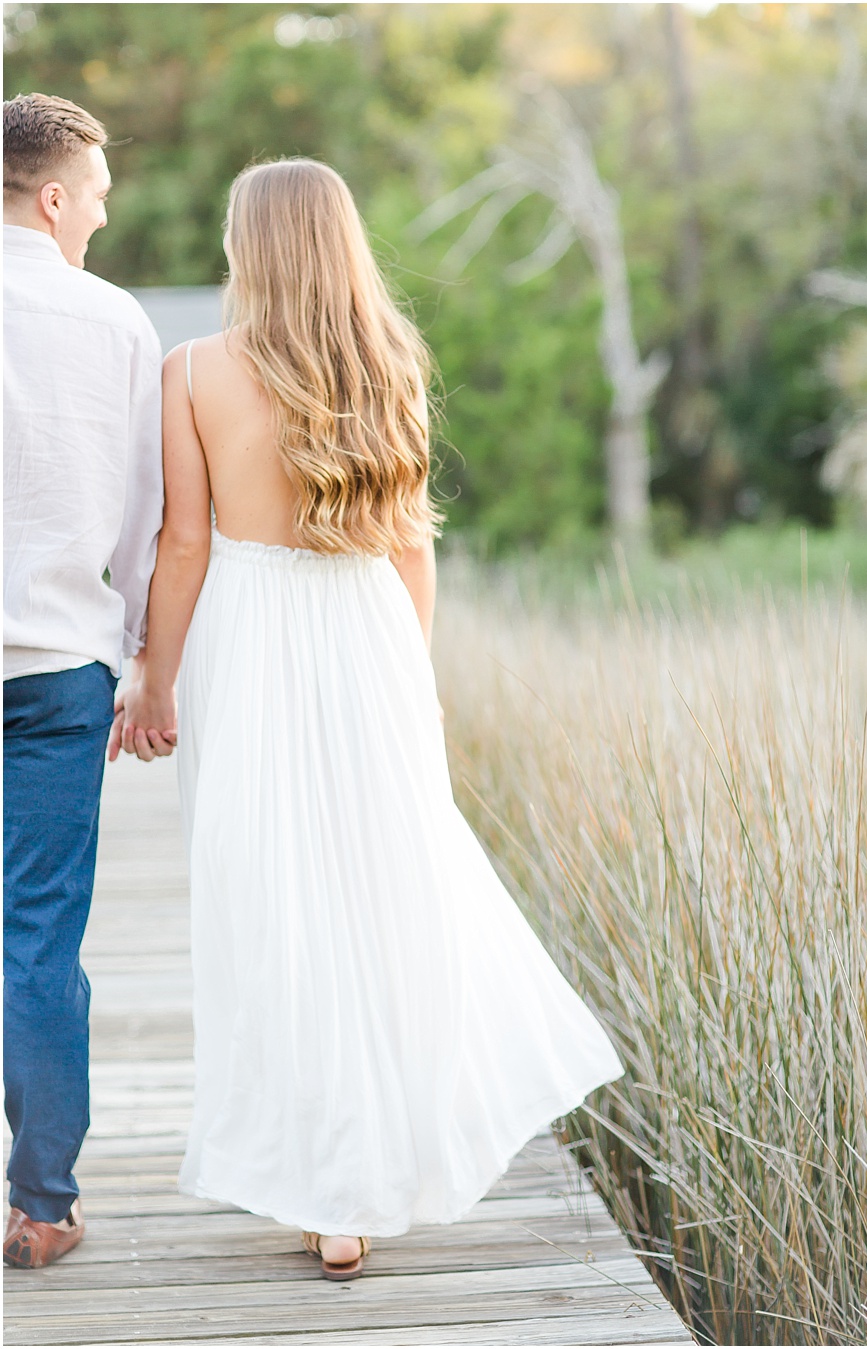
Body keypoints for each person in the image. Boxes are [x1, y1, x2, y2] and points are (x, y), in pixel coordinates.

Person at [113, 157, 625, 1280]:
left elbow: (186, 545)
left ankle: (327, 1187)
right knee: (377, 894)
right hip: (369, 634)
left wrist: (153, 674)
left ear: (248, 246)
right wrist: (415, 674)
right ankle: (358, 1183)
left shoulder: (193, 371)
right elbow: (411, 541)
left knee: (272, 897)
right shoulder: (388, 362)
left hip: (249, 637)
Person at [2, 92, 164, 1270]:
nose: (102, 218)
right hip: (60, 664)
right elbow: (150, 518)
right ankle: (44, 1203)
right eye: (96, 197)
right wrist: (149, 651)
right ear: (52, 197)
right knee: (38, 937)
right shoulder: (114, 324)